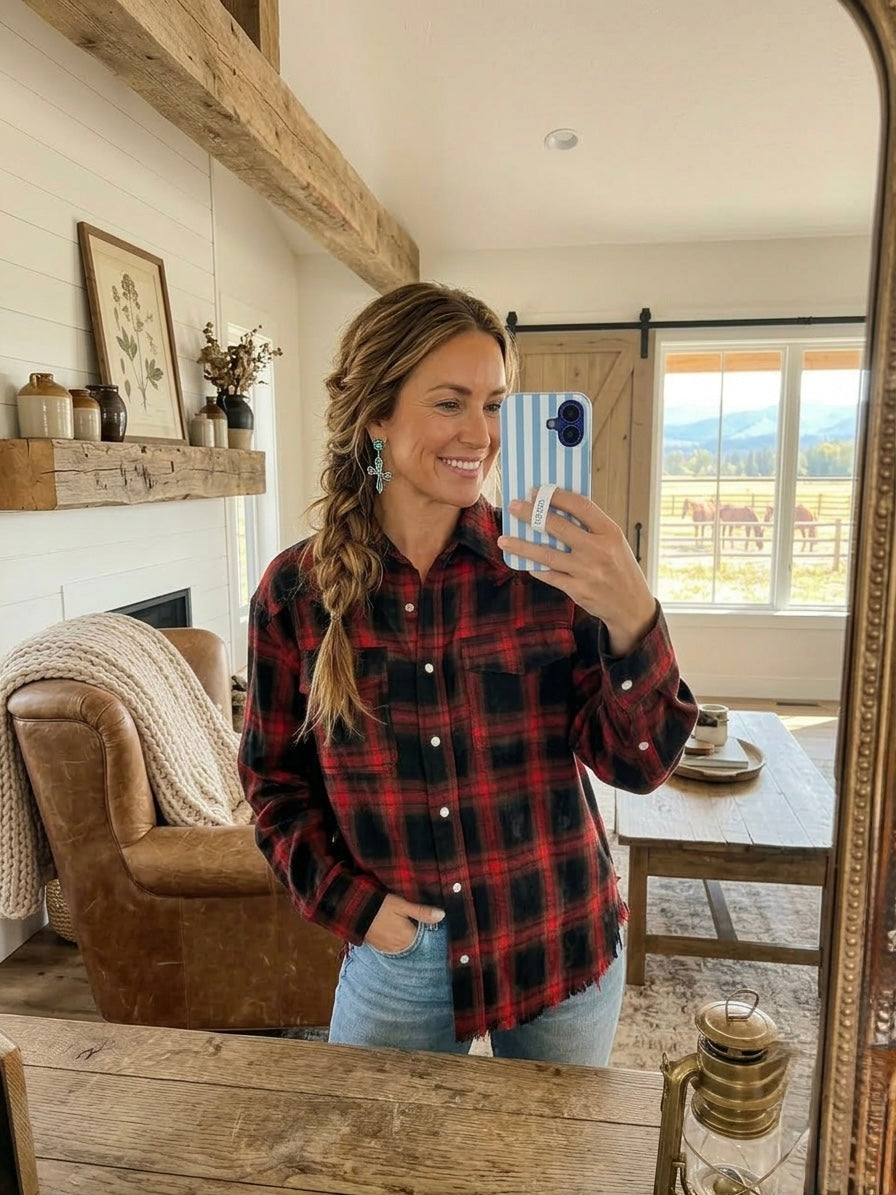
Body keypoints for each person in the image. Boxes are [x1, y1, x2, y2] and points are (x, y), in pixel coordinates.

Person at [238, 281, 697, 1065]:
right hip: (400, 958)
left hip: (560, 941)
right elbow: (274, 783)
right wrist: (354, 906)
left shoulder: (548, 570)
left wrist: (634, 615)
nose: (480, 435)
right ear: (376, 415)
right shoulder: (295, 593)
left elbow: (641, 764)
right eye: (450, 402)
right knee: (376, 1143)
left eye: (494, 405)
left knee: (552, 1148)